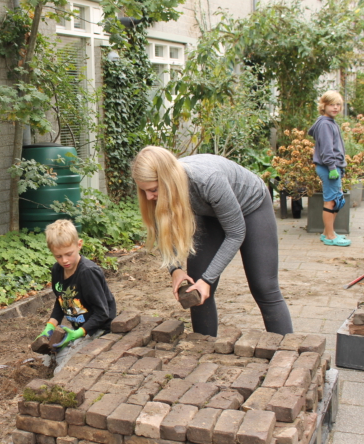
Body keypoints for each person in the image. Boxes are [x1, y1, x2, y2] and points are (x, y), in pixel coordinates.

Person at [131, 146, 293, 337]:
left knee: (264, 288)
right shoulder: (159, 191)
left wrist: (208, 279)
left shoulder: (207, 180)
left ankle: (288, 355)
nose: (149, 197)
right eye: (145, 191)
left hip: (251, 207)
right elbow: (161, 229)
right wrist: (175, 269)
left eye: (153, 190)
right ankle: (203, 353)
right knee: (196, 289)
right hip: (210, 213)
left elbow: (235, 233)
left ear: (168, 180)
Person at [36, 219, 117, 373]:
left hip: (98, 330)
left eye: (68, 254)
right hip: (77, 329)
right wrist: (50, 326)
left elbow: (102, 313)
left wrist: (79, 333)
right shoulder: (57, 270)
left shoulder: (87, 273)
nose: (64, 260)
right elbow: (61, 301)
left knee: (61, 371)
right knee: (47, 361)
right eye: (58, 256)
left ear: (79, 245)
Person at [308, 91, 351, 247]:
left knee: (336, 201)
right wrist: (333, 167)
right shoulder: (326, 124)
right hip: (328, 168)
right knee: (331, 202)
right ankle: (330, 236)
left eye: (338, 104)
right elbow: (327, 149)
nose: (335, 107)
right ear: (323, 106)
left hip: (332, 167)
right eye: (332, 104)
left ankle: (328, 232)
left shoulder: (329, 122)